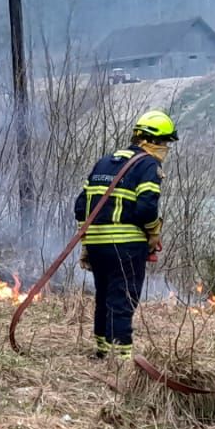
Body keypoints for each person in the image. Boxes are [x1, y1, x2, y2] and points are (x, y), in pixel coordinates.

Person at [76, 110, 175, 360]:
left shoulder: (105, 162)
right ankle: (121, 359)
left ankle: (101, 349)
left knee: (104, 294)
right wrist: (153, 232)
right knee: (123, 297)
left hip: (97, 243)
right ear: (153, 141)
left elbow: (80, 205)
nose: (166, 148)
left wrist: (87, 240)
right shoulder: (148, 165)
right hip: (126, 245)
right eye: (165, 142)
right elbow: (146, 208)